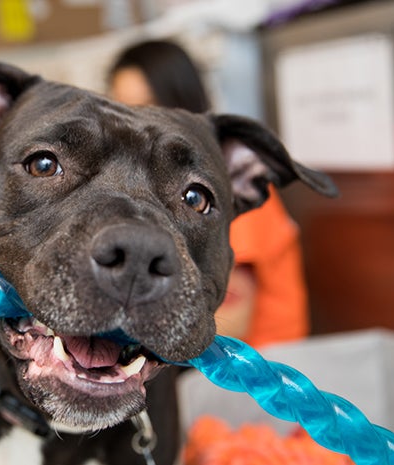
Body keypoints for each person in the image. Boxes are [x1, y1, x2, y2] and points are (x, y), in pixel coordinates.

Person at [107, 39, 308, 348]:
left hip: (254, 372)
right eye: (122, 109)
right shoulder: (147, 187)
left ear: (182, 102)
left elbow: (230, 322)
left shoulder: (218, 185)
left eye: (149, 106)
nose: (135, 124)